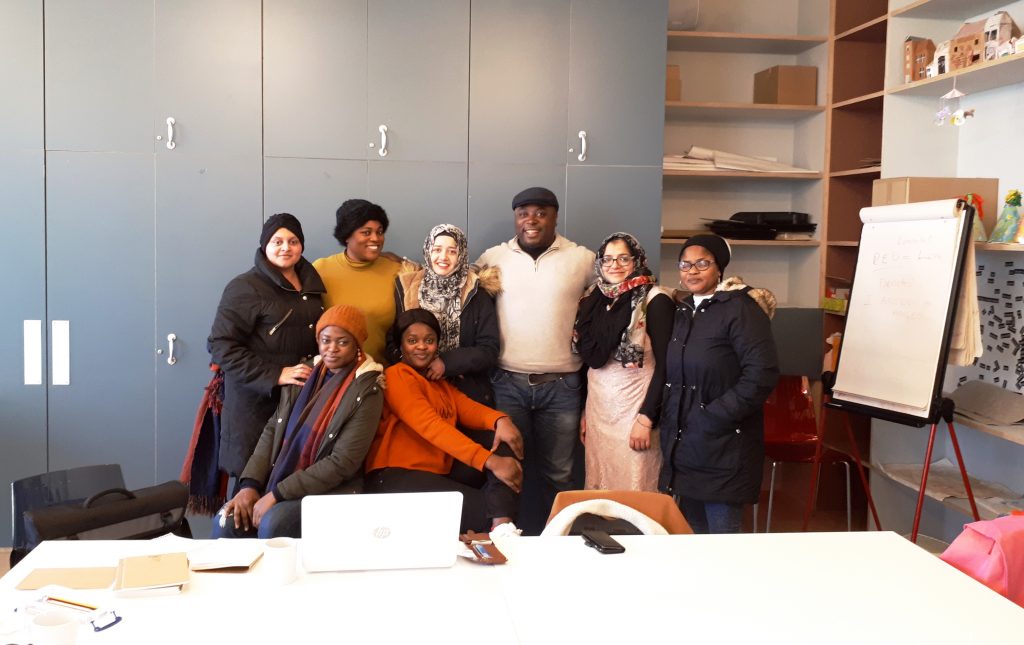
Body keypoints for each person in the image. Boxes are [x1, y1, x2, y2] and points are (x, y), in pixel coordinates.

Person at [476, 187, 595, 534]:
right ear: (515, 217)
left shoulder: (582, 259)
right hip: (508, 383)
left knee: (560, 471)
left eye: (541, 212)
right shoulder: (493, 258)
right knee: (511, 468)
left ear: (555, 217)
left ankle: (561, 539)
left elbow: (618, 289)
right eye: (523, 212)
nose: (531, 219)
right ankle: (517, 539)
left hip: (562, 385)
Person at [212, 305, 384, 538]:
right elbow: (273, 430)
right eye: (325, 340)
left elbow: (342, 462)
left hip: (330, 490)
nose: (331, 349)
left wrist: (277, 494)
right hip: (279, 479)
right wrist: (250, 484)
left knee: (274, 524)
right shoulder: (305, 374)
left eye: (342, 342)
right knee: (227, 521)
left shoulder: (367, 390)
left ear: (357, 346)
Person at [659, 234, 779, 534]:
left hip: (724, 442)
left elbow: (762, 372)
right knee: (692, 535)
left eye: (702, 263)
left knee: (723, 543)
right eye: (685, 264)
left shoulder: (741, 309)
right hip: (686, 442)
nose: (692, 271)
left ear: (719, 269)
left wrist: (714, 415)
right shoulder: (685, 309)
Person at [365, 309, 524, 533]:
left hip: (433, 474)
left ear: (437, 346)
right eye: (412, 341)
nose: (421, 346)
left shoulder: (438, 383)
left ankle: (501, 521)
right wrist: (488, 461)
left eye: (429, 340)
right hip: (394, 478)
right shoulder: (397, 375)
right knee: (484, 509)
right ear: (401, 346)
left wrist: (501, 420)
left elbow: (469, 409)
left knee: (503, 438)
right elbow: (431, 427)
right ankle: (501, 524)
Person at [209, 213, 326, 480]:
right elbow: (221, 346)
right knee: (249, 490)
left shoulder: (312, 287)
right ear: (264, 246)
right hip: (255, 407)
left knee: (286, 488)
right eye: (277, 241)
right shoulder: (244, 287)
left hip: (297, 403)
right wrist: (276, 374)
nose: (286, 247)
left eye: (293, 241)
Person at [573, 232, 674, 491]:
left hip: (635, 412)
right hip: (599, 411)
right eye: (607, 259)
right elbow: (588, 363)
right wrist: (585, 412)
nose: (614, 266)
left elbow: (668, 367)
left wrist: (647, 418)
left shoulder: (655, 300)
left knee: (635, 486)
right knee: (600, 484)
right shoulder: (593, 299)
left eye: (623, 259)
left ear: (637, 260)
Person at [386, 223, 500, 406]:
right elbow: (393, 340)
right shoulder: (407, 287)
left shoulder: (477, 292)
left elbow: (489, 349)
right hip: (417, 389)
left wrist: (446, 363)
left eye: (452, 251)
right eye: (437, 249)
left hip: (466, 391)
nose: (443, 257)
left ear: (461, 254)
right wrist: (413, 364)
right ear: (428, 251)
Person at [313, 199, 414, 364]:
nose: (375, 238)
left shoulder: (398, 271)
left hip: (384, 374)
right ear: (347, 236)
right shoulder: (321, 270)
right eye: (366, 232)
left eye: (379, 232)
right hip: (336, 376)